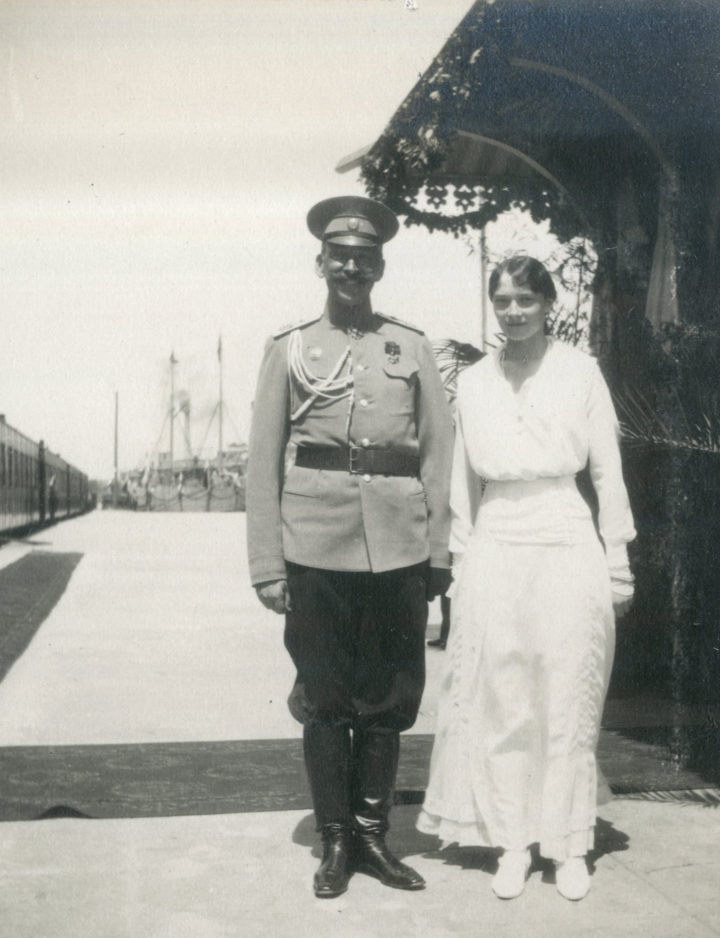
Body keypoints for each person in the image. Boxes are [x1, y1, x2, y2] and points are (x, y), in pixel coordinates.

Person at [246, 195, 454, 900]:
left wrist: (439, 553)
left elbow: (436, 456)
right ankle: (335, 841)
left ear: (380, 267)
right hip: (316, 545)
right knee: (326, 695)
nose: (352, 268)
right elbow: (263, 462)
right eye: (340, 257)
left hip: (398, 547)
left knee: (391, 696)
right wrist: (267, 564)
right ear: (321, 263)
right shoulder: (291, 349)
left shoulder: (411, 347)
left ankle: (373, 835)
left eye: (364, 259)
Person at [416, 255, 635, 902]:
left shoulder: (580, 372)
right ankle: (513, 842)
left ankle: (569, 844)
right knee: (504, 696)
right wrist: (460, 560)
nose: (513, 312)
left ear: (547, 303)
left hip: (566, 533)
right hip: (497, 539)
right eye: (502, 301)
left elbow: (607, 471)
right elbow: (462, 484)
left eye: (525, 300)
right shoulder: (477, 382)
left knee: (568, 691)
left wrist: (618, 558)